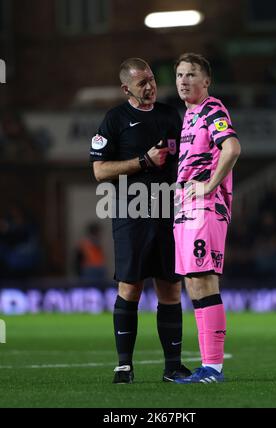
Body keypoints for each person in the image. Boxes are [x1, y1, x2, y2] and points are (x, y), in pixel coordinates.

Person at [90, 58, 191, 384]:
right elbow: (99, 171)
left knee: (171, 289)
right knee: (130, 287)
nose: (149, 86)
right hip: (131, 212)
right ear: (126, 89)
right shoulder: (115, 120)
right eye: (141, 83)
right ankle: (124, 365)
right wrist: (142, 161)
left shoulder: (169, 114)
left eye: (151, 79)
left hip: (168, 212)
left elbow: (186, 158)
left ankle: (173, 367)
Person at [173, 53, 241, 383]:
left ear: (206, 81)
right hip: (185, 208)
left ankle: (213, 368)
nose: (184, 80)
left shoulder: (212, 109)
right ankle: (206, 366)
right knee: (193, 282)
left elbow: (232, 148)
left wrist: (210, 185)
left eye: (191, 75)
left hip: (205, 207)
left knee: (204, 280)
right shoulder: (188, 115)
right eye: (179, 75)